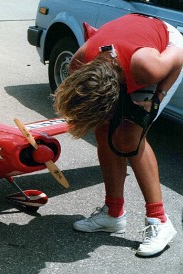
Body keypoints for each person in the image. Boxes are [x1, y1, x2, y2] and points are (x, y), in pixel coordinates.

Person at [53, 14, 183, 257]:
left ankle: (160, 222)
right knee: (103, 131)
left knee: (130, 135)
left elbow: (178, 58)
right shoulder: (79, 62)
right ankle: (113, 214)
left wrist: (156, 99)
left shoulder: (147, 67)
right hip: (119, 49)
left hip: (166, 47)